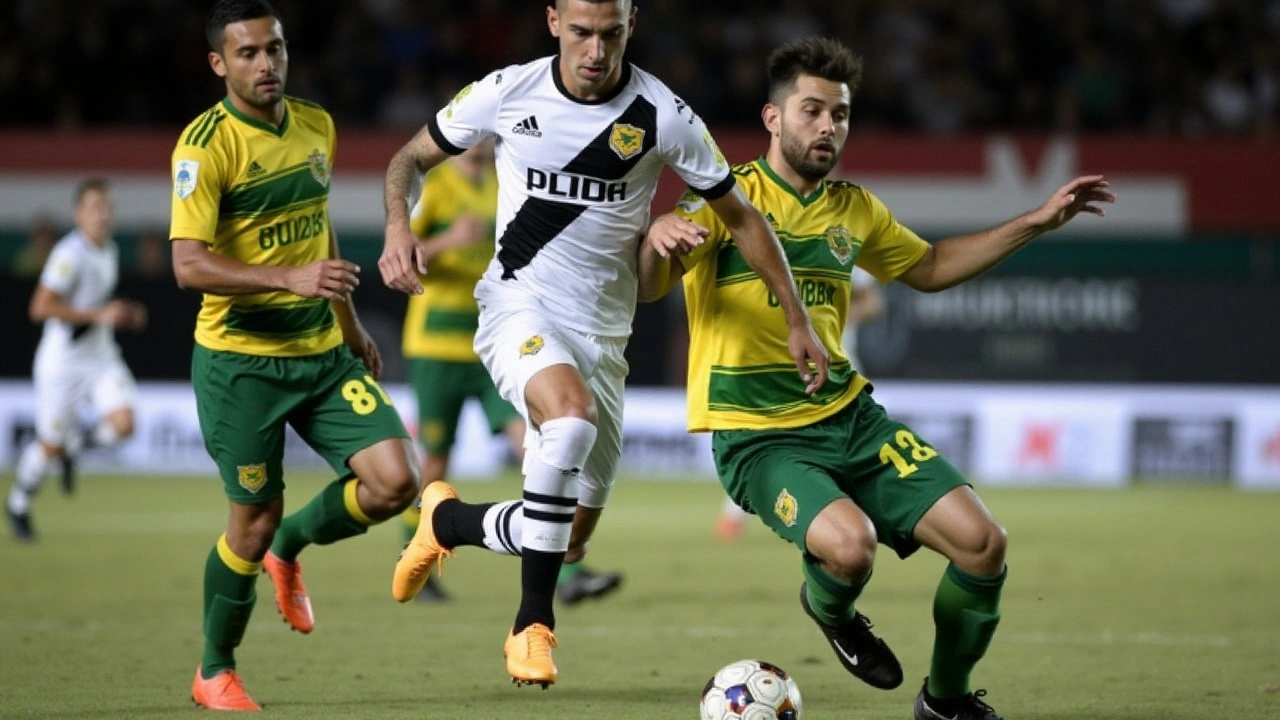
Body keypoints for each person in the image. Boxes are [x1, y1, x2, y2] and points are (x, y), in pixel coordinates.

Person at [638, 36, 1114, 720]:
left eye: (840, 114)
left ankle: (945, 704)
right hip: (759, 440)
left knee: (984, 547)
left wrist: (1037, 222)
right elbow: (653, 286)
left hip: (850, 418)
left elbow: (931, 268)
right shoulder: (725, 194)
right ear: (774, 119)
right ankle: (831, 605)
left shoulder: (855, 209)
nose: (828, 126)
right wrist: (656, 244)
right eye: (811, 111)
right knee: (850, 548)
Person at [379, 0, 829, 689]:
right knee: (569, 420)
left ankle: (449, 521)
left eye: (611, 34)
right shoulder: (508, 91)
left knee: (566, 535)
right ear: (554, 19)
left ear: (631, 25)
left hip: (604, 333)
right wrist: (398, 229)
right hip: (516, 305)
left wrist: (796, 317)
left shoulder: (663, 114)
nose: (596, 51)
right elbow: (408, 159)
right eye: (583, 33)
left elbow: (741, 216)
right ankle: (532, 624)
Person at [169, 0, 420, 710]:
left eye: (274, 49)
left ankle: (291, 546)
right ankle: (214, 669)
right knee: (247, 519)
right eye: (247, 53)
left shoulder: (316, 124)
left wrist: (347, 322)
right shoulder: (204, 147)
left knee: (395, 481)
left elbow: (318, 229)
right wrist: (288, 278)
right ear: (219, 63)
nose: (266, 64)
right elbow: (188, 265)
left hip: (320, 352)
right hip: (241, 362)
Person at [399, 138, 623, 606]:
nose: (486, 138)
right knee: (437, 458)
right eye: (479, 130)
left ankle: (565, 572)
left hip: (504, 341)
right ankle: (414, 551)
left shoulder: (504, 183)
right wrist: (448, 240)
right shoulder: (437, 185)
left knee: (543, 438)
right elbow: (409, 252)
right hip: (438, 340)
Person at [5, 178, 146, 541]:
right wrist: (99, 315)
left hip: (101, 357)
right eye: (95, 207)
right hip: (62, 365)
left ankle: (73, 448)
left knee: (125, 424)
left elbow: (97, 302)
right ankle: (18, 503)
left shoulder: (109, 249)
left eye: (107, 207)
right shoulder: (69, 254)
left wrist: (123, 312)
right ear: (78, 214)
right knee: (47, 445)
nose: (103, 214)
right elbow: (40, 307)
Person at [714, 266, 884, 542]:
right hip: (788, 362)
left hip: (840, 365)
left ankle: (851, 516)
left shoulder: (845, 245)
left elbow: (873, 302)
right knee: (767, 436)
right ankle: (734, 515)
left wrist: (839, 316)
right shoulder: (775, 245)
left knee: (848, 440)